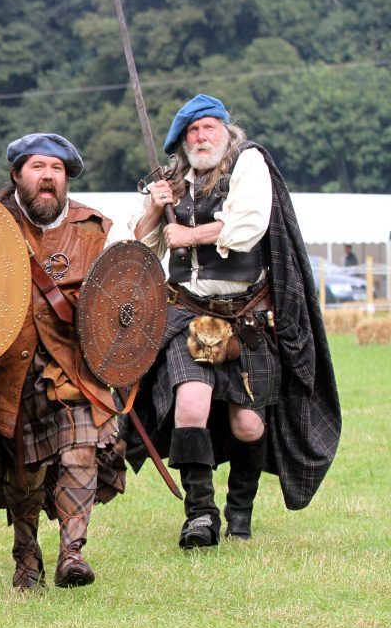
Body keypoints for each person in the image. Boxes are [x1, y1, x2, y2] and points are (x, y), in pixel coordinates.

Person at [128, 94, 340, 548]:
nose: (202, 137)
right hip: (192, 317)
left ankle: (239, 511)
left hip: (246, 321)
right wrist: (153, 209)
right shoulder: (172, 183)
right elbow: (139, 252)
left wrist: (191, 233)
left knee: (248, 425)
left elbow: (248, 225)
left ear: (227, 131)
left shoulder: (248, 163)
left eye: (209, 128)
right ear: (182, 143)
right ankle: (200, 516)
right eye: (192, 132)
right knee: (191, 405)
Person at [0, 133, 131, 590]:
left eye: (57, 170)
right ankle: (26, 554)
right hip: (10, 370)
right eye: (38, 167)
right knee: (23, 475)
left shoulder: (96, 229)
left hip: (73, 366)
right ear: (17, 175)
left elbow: (125, 297)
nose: (48, 177)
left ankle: (72, 552)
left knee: (82, 446)